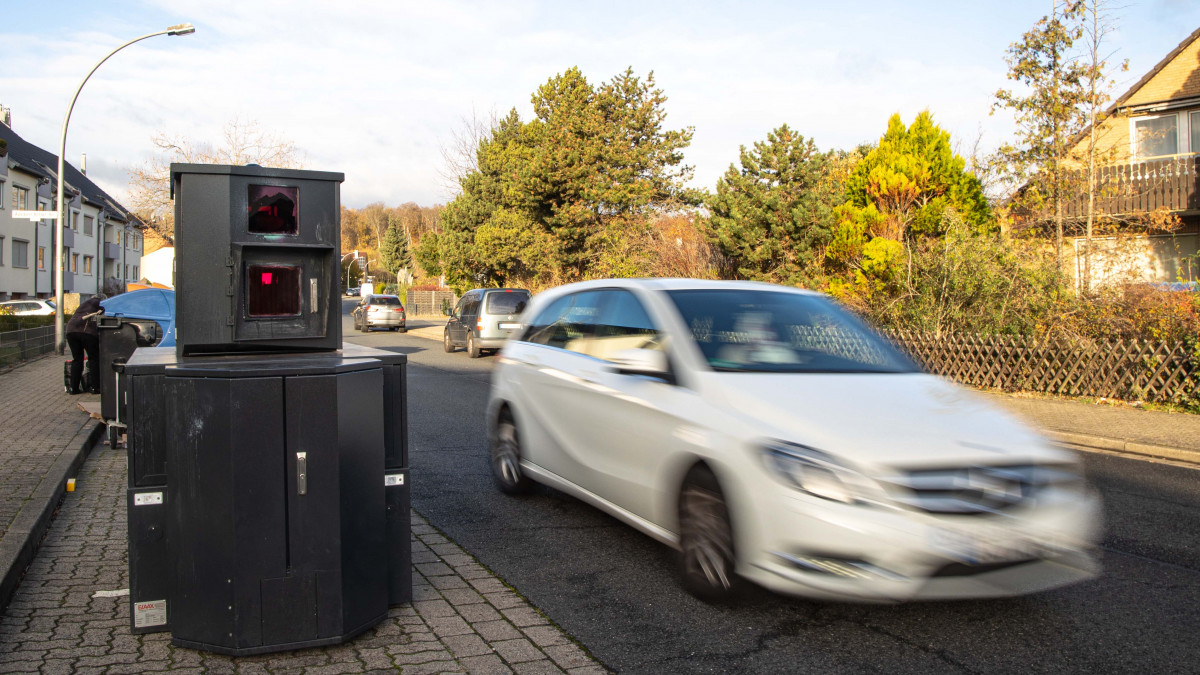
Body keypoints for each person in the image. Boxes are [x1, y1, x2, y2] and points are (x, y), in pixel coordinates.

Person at [66, 295, 104, 395]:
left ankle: (74, 388)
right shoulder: (99, 302)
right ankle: (96, 387)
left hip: (70, 331)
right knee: (94, 359)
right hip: (87, 332)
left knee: (77, 359)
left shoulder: (83, 305)